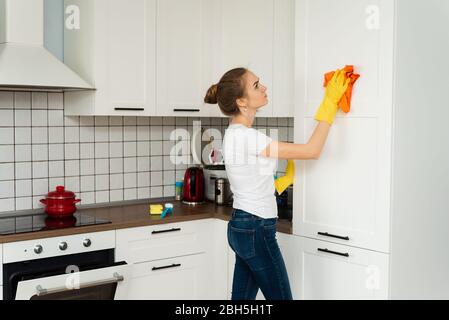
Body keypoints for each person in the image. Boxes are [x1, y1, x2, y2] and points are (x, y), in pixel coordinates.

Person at [204, 67, 350, 300]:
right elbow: (312, 151)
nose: (264, 87)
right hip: (256, 228)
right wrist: (330, 103)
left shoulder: (234, 133)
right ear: (242, 101)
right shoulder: (247, 136)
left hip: (241, 226)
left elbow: (251, 177)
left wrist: (279, 183)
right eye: (256, 85)